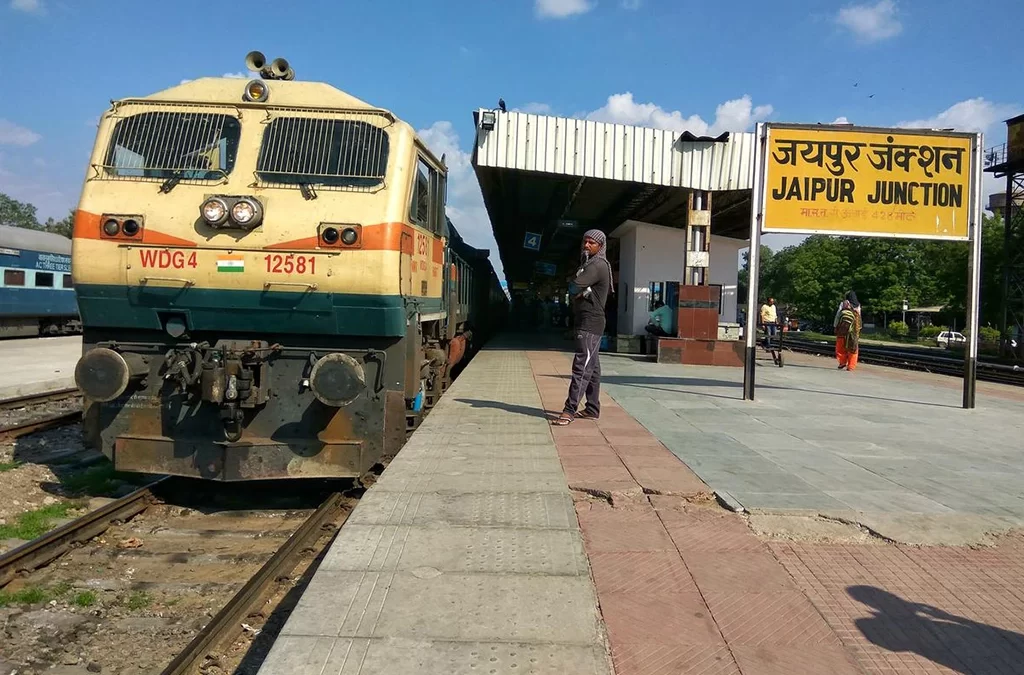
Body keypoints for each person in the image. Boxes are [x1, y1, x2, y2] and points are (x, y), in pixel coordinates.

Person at [552, 229, 613, 426]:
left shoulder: (596, 265)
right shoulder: (589, 264)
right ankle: (592, 408)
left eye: (591, 243)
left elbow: (573, 286)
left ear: (600, 246)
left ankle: (569, 410)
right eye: (585, 241)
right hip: (586, 320)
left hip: (590, 322)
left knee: (582, 367)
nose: (586, 245)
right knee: (592, 367)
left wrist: (577, 290)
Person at [834, 298, 862, 370]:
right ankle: (851, 366)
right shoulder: (858, 305)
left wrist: (835, 326)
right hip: (853, 331)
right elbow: (859, 319)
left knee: (840, 347)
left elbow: (838, 315)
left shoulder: (844, 303)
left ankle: (842, 362)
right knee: (853, 348)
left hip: (842, 330)